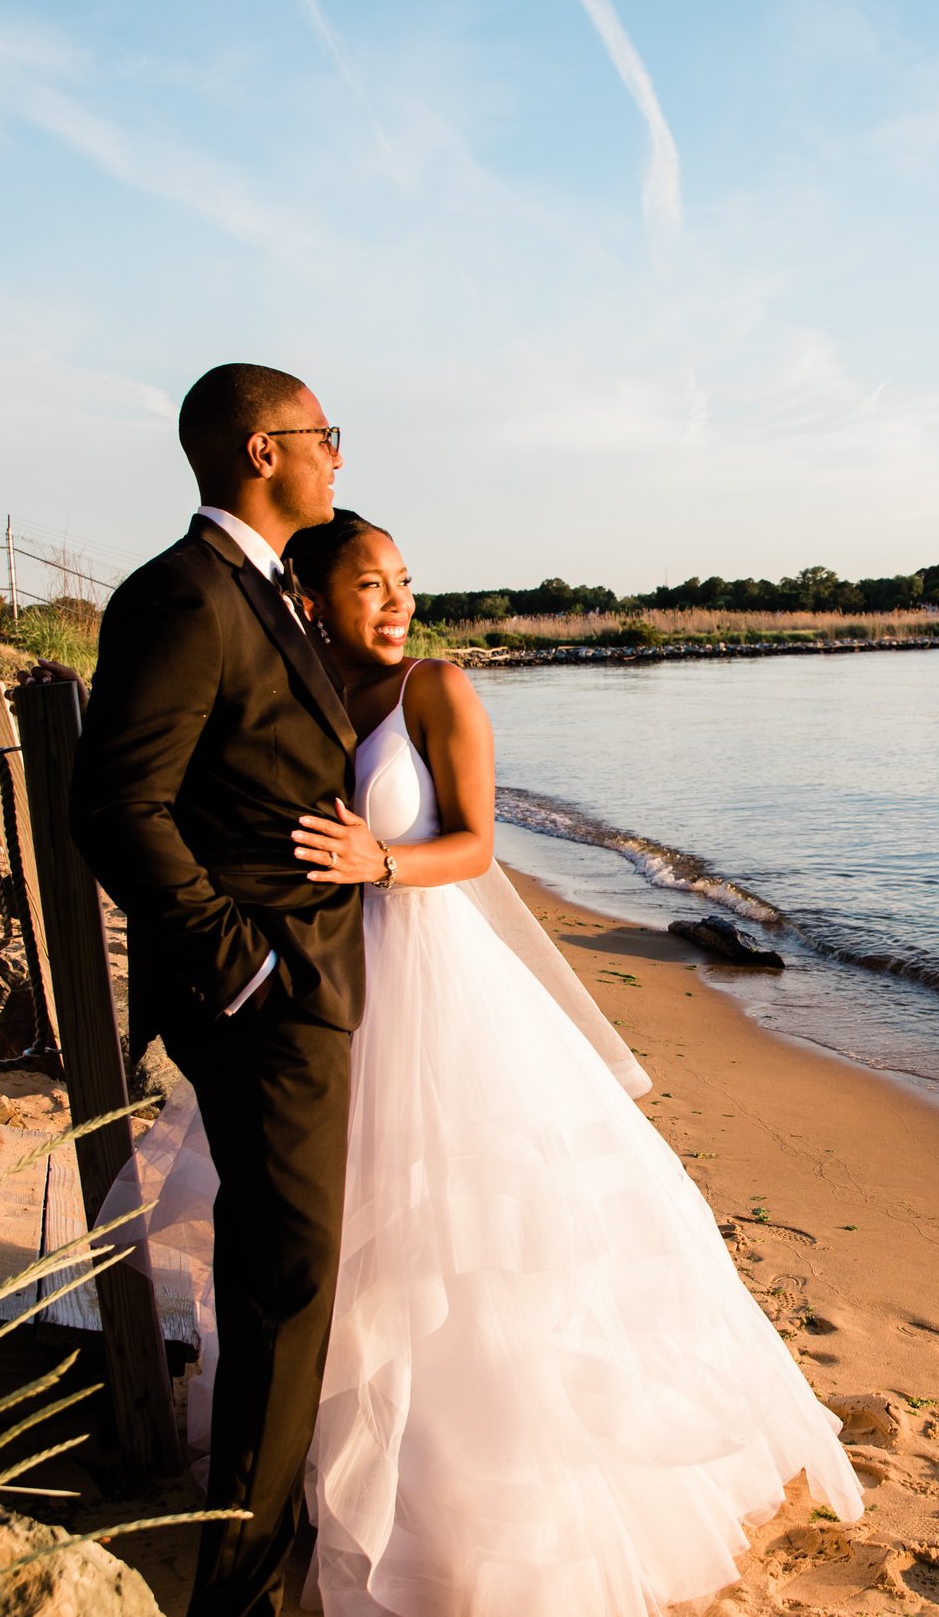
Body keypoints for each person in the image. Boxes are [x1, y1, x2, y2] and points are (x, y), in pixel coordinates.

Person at [114, 509, 863, 1615]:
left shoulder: (436, 688)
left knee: (465, 1241)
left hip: (431, 978)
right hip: (318, 989)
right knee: (326, 1232)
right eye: (370, 585)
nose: (397, 601)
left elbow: (474, 842)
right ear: (309, 599)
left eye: (403, 581)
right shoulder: (292, 690)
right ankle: (314, 1472)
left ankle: (467, 1508)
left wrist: (380, 857)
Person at [70, 362, 362, 1617]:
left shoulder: (265, 592)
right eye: (323, 436)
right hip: (265, 990)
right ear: (260, 450)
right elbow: (115, 805)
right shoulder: (183, 596)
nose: (338, 457)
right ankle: (245, 1594)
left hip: (302, 983)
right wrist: (235, 958)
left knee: (281, 1273)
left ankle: (262, 1559)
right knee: (284, 1282)